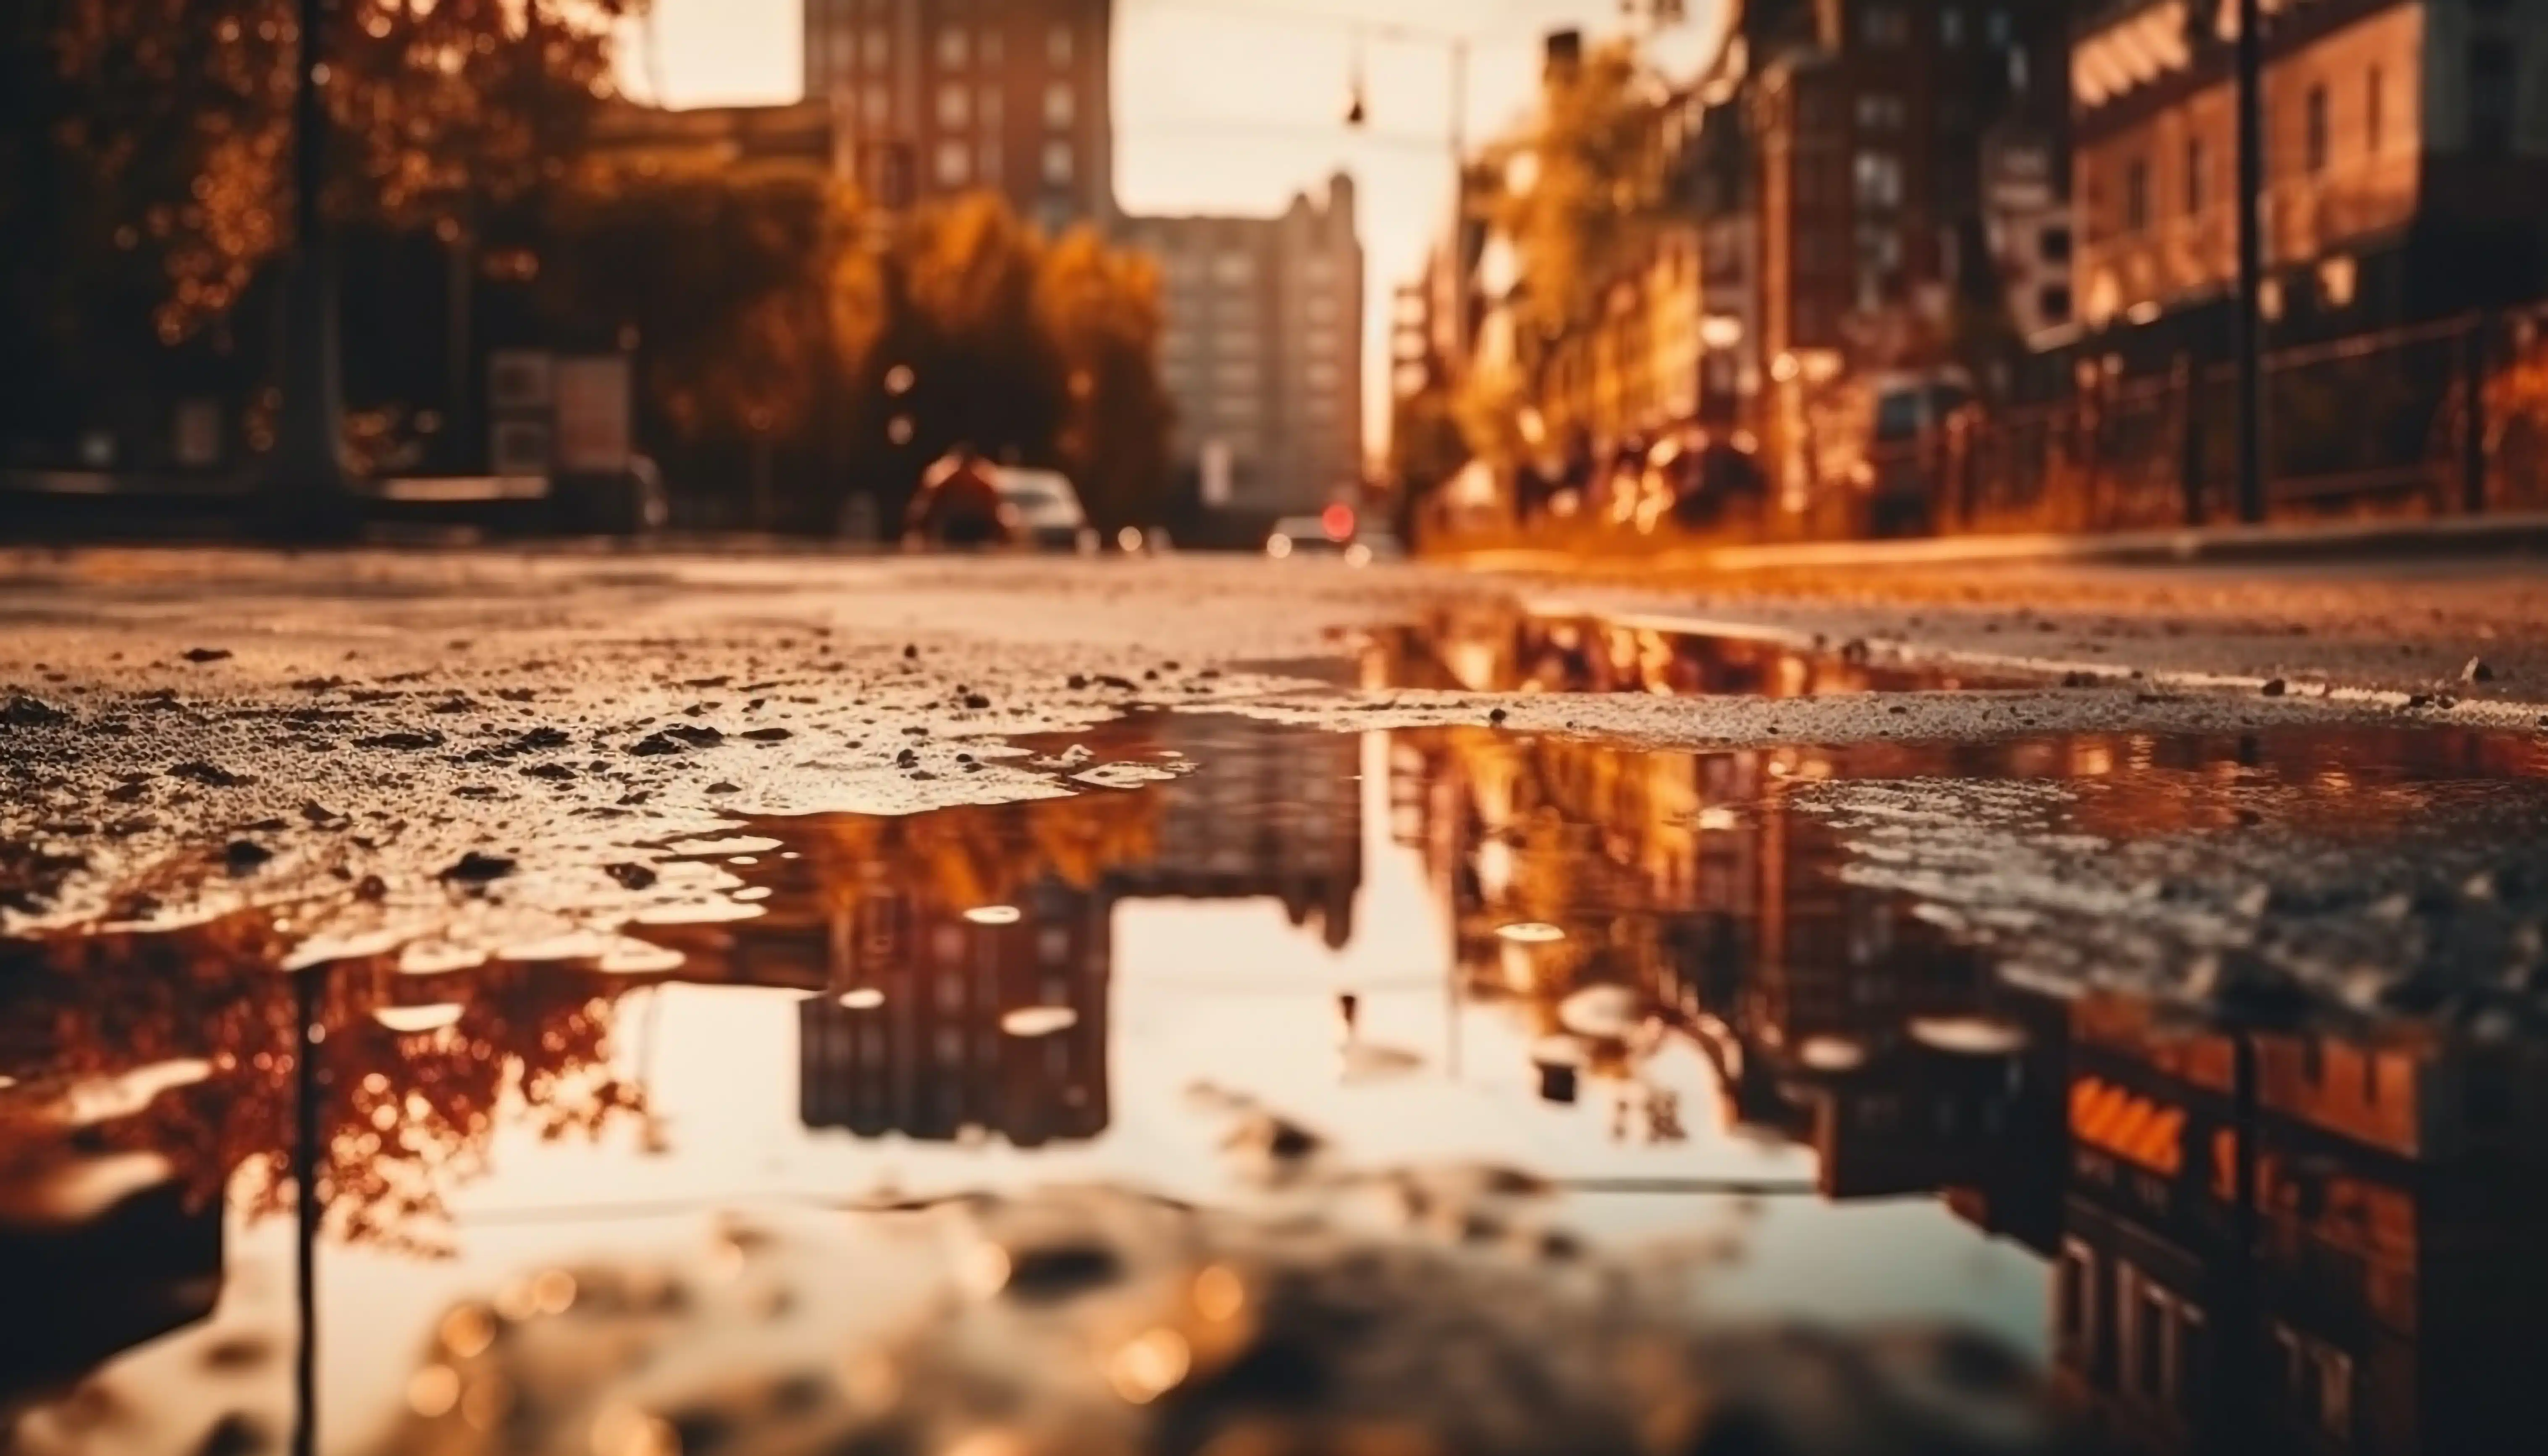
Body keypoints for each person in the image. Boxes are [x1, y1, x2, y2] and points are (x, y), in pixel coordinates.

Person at [903, 444, 1007, 549]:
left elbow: (996, 503)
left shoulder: (984, 475)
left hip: (978, 522)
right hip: (953, 522)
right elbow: (926, 501)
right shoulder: (942, 474)